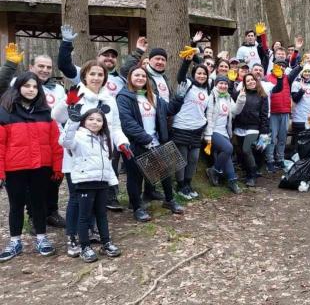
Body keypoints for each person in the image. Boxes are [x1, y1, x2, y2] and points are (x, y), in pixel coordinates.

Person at [52, 61, 132, 256]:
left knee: (98, 199)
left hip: (100, 158)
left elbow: (114, 127)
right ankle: (72, 238)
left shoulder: (109, 99)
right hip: (77, 155)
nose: (96, 78)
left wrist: (122, 143)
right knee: (75, 199)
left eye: (100, 74)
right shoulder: (76, 95)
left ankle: (93, 232)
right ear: (84, 76)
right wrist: (67, 103)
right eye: (92, 74)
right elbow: (56, 115)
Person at [0, 45, 68, 227]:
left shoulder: (58, 88)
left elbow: (62, 116)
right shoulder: (18, 83)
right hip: (26, 142)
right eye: (41, 66)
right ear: (31, 67)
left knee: (53, 180)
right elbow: (1, 87)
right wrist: (9, 65)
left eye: (48, 67)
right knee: (31, 186)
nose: (45, 70)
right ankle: (34, 216)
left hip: (53, 141)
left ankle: (51, 212)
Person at [0, 72, 63, 262]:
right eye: (27, 86)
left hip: (41, 167)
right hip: (15, 167)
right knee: (16, 205)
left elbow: (55, 143)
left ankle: (42, 238)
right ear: (18, 87)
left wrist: (57, 167)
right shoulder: (6, 112)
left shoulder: (46, 113)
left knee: (39, 203)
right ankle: (15, 241)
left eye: (35, 87)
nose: (31, 90)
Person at [116, 66, 184, 222]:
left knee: (165, 171)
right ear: (129, 78)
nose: (140, 78)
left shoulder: (152, 96)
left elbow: (169, 110)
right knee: (135, 177)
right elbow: (127, 122)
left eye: (143, 76)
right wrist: (145, 139)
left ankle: (169, 200)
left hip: (155, 141)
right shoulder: (123, 97)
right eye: (136, 75)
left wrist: (179, 98)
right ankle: (137, 207)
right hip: (135, 144)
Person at [60, 108, 121, 262]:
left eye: (99, 120)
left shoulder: (104, 138)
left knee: (101, 213)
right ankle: (84, 246)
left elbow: (107, 163)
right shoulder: (78, 136)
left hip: (101, 182)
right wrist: (72, 121)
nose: (95, 122)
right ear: (84, 121)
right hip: (84, 182)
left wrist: (112, 181)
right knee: (84, 216)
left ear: (103, 123)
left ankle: (106, 242)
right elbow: (64, 141)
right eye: (91, 119)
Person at [172, 44, 211, 200]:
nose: (201, 76)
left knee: (193, 159)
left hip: (197, 129)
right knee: (181, 159)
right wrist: (187, 61)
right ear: (194, 74)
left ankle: (188, 184)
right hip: (181, 126)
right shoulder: (187, 84)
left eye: (204, 74)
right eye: (199, 73)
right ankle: (180, 185)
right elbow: (180, 76)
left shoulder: (208, 89)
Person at [204, 75, 242, 194]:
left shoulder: (228, 97)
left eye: (225, 84)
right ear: (216, 84)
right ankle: (214, 170)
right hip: (213, 131)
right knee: (228, 148)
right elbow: (209, 117)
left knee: (227, 154)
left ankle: (232, 181)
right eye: (221, 83)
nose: (223, 86)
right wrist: (208, 135)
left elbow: (235, 111)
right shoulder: (212, 97)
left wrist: (241, 99)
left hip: (224, 132)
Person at [232, 74, 270, 187]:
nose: (250, 82)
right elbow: (230, 98)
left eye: (252, 79)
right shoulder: (240, 94)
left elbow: (264, 115)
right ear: (244, 83)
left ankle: (252, 176)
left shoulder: (262, 95)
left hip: (253, 128)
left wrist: (264, 132)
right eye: (247, 81)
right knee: (241, 152)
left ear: (256, 81)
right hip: (239, 127)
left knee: (246, 149)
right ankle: (247, 172)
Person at [290, 65, 310, 144]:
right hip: (299, 116)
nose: (307, 73)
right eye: (305, 71)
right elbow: (295, 99)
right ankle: (295, 154)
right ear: (302, 72)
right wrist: (302, 90)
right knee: (298, 139)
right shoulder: (296, 83)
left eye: (309, 71)